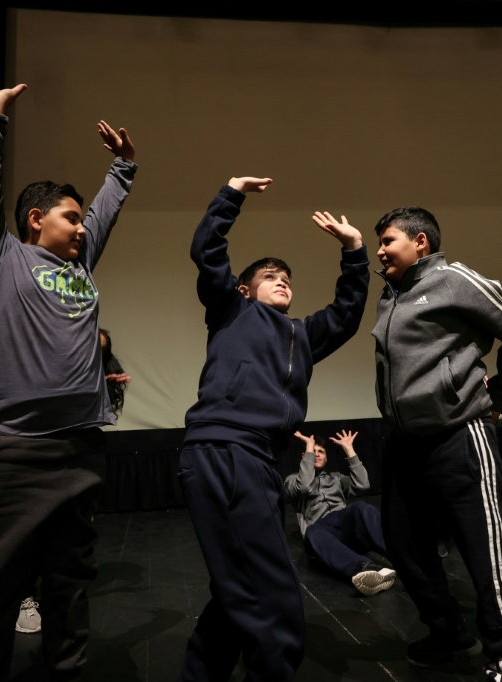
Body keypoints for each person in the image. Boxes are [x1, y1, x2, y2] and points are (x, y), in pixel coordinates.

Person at [0, 84, 137, 682]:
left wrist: (124, 166)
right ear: (36, 220)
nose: (82, 228)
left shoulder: (81, 265)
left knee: (69, 590)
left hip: (79, 450)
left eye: (82, 220)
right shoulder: (4, 258)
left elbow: (105, 212)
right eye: (70, 218)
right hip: (14, 452)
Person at [178, 176, 369, 681]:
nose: (283, 281)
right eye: (270, 276)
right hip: (223, 447)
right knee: (274, 592)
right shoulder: (231, 310)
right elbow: (207, 250)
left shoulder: (302, 335)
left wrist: (354, 251)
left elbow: (347, 314)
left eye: (287, 277)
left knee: (237, 588)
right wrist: (231, 194)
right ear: (245, 289)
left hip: (259, 457)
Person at [371, 206, 502, 681]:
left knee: (485, 544)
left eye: (388, 240)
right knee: (405, 547)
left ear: (420, 241)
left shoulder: (454, 278)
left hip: (459, 433)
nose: (380, 251)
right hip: (405, 441)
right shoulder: (391, 295)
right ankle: (449, 634)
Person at [15, 328, 132, 636]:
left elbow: (101, 418)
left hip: (80, 458)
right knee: (33, 532)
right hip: (41, 455)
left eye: (100, 350)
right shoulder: (51, 367)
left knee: (68, 536)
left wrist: (98, 389)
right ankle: (25, 598)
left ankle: (56, 597)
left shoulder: (103, 382)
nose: (93, 353)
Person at [285, 430, 395, 596]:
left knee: (359, 507)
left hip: (343, 525)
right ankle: (365, 569)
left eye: (321, 452)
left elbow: (362, 485)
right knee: (312, 531)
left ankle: (401, 555)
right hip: (322, 533)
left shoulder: (335, 478)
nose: (316, 454)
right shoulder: (293, 480)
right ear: (304, 456)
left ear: (326, 458)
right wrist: (309, 449)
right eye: (313, 451)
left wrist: (350, 451)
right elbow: (304, 487)